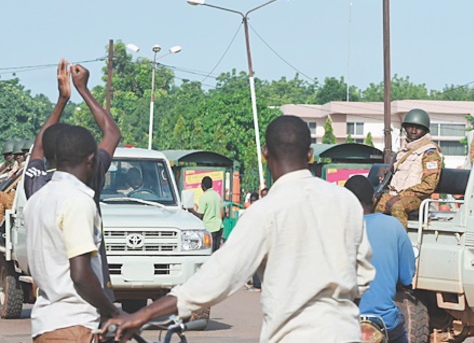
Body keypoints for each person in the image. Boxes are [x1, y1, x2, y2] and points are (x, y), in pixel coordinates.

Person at [102, 115, 375, 343]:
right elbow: (363, 275)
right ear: (310, 154)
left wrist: (141, 316)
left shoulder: (266, 211)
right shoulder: (346, 202)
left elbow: (218, 277)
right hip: (345, 333)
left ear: (265, 153)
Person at [24, 60, 122, 302]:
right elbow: (112, 133)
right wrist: (83, 89)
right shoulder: (87, 184)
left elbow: (38, 147)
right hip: (82, 313)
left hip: (46, 312)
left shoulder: (35, 187)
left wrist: (62, 99)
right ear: (89, 160)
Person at [24, 125, 124, 342]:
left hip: (45, 324)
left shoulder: (37, 200)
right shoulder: (78, 201)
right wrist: (114, 312)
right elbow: (80, 274)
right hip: (76, 325)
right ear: (91, 160)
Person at [345, 175, 415, 343]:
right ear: (374, 199)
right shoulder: (394, 226)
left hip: (344, 321)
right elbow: (407, 277)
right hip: (384, 322)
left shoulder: (334, 227)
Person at [375, 108, 443, 229]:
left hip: (415, 199)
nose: (413, 130)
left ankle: (401, 242)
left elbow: (429, 185)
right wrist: (387, 170)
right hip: (395, 194)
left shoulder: (429, 153)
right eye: (410, 126)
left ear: (425, 130)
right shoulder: (403, 151)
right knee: (371, 202)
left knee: (397, 207)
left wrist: (401, 196)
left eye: (418, 127)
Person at [195, 176, 224, 252]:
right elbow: (222, 213)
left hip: (209, 229)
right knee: (216, 252)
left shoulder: (204, 197)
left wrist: (191, 211)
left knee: (208, 252)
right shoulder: (217, 195)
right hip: (219, 227)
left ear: (203, 186)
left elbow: (200, 215)